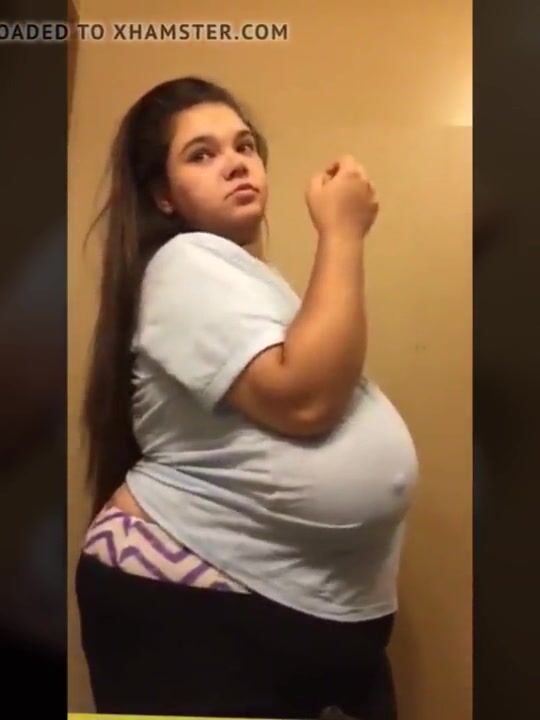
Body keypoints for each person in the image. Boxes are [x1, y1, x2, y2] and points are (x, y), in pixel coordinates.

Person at [74, 75, 419, 719]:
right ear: (163, 196)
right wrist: (342, 232)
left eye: (244, 145)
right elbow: (304, 400)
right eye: (201, 154)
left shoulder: (243, 279)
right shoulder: (184, 261)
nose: (235, 162)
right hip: (194, 595)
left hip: (285, 606)